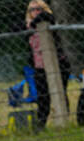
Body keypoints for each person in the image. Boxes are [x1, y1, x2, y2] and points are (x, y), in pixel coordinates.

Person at [23, 1, 71, 130]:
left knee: (60, 92)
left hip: (59, 64)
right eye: (32, 10)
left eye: (38, 9)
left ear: (44, 9)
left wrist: (33, 23)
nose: (35, 12)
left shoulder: (49, 20)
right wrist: (29, 25)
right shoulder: (28, 27)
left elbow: (46, 16)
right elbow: (14, 27)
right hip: (39, 67)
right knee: (43, 96)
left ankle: (64, 121)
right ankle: (40, 125)